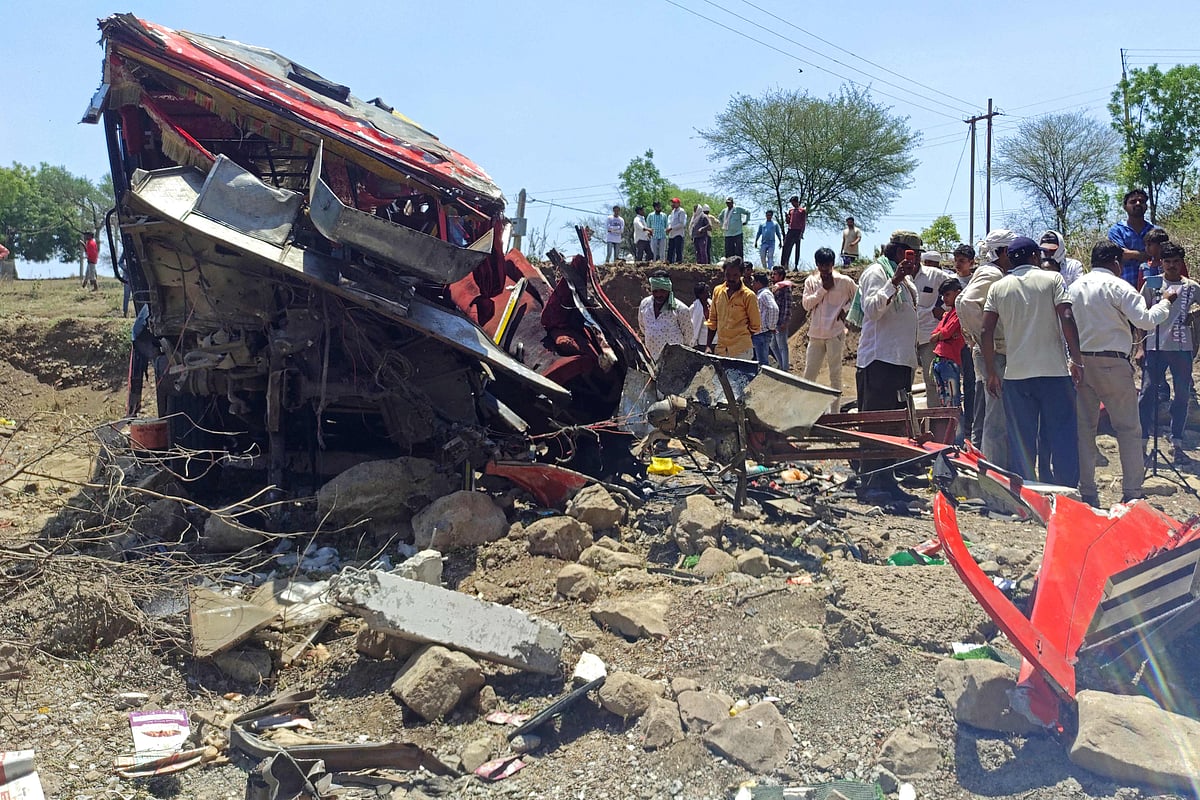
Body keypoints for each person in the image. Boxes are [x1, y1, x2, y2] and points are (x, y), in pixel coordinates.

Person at [1069, 240, 1176, 506]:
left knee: (1085, 429)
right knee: (1128, 428)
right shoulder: (1119, 286)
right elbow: (1146, 321)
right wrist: (1164, 302)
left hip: (1080, 363)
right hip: (1113, 363)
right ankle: (1131, 491)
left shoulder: (1073, 287)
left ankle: (1088, 491)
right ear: (1115, 263)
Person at [981, 236, 1083, 487]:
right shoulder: (1053, 279)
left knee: (1022, 439)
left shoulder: (999, 287)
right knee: (1062, 434)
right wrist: (1077, 360)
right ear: (1036, 256)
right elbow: (1067, 316)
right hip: (1054, 373)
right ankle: (1066, 491)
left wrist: (992, 371)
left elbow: (985, 331)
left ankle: (1027, 491)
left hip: (1016, 376)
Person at [854, 231, 921, 500]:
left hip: (900, 361)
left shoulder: (908, 282)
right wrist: (894, 280)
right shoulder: (877, 273)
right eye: (911, 254)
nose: (914, 260)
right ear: (897, 252)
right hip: (879, 360)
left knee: (893, 425)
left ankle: (888, 478)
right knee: (875, 424)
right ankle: (870, 480)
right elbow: (871, 310)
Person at [958, 229, 1016, 469]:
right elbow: (966, 302)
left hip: (997, 352)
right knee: (996, 418)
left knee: (994, 413)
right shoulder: (992, 273)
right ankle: (995, 471)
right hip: (996, 353)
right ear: (1002, 252)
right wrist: (985, 339)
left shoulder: (995, 273)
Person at [1138, 242, 1198, 465]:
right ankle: (1142, 443)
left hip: (1182, 349)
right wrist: (1140, 346)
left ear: (1181, 263)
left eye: (1176, 261)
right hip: (1154, 346)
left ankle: (1177, 443)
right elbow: (1139, 314)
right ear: (1161, 262)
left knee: (1182, 395)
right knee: (1146, 393)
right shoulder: (1152, 285)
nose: (1172, 266)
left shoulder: (1192, 287)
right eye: (1167, 261)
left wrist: (1195, 315)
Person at [802, 247, 857, 413]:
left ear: (832, 264)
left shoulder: (844, 281)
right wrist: (823, 289)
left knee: (835, 374)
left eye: (827, 265)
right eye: (820, 265)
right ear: (817, 264)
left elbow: (858, 297)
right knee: (809, 375)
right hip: (816, 334)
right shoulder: (811, 281)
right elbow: (806, 304)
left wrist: (845, 310)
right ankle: (805, 411)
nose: (824, 269)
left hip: (835, 333)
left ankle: (835, 414)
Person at [930, 278, 966, 442]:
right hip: (941, 360)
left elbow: (944, 333)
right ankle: (950, 441)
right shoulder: (949, 314)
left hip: (949, 360)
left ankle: (957, 442)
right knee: (946, 403)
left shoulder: (959, 312)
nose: (945, 299)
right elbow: (937, 334)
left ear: (958, 293)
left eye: (948, 295)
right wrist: (941, 336)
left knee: (953, 403)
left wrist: (941, 336)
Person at [705, 256, 761, 360]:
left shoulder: (748, 296)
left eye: (735, 275)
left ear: (741, 274)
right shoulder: (717, 291)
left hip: (741, 352)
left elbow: (755, 326)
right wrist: (708, 346)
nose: (731, 278)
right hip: (721, 350)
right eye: (728, 275)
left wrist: (740, 338)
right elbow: (713, 321)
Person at [916, 251, 950, 407]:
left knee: (931, 381)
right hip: (905, 336)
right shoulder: (901, 275)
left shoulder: (936, 275)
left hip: (929, 335)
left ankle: (936, 422)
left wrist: (940, 308)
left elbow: (957, 288)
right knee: (902, 384)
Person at [950, 244, 977, 443]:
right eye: (956, 260)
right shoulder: (949, 282)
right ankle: (953, 426)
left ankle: (969, 424)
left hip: (969, 342)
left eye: (962, 261)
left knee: (970, 383)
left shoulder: (977, 283)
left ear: (971, 263)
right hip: (952, 341)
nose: (958, 264)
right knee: (951, 385)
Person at [638, 270, 694, 362]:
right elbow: (643, 327)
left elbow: (688, 336)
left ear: (668, 289)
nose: (659, 294)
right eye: (655, 291)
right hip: (652, 360)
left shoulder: (680, 309)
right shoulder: (644, 305)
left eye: (662, 291)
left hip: (674, 362)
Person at [1108, 188, 1157, 286]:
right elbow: (1121, 254)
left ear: (1146, 207)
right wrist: (1147, 255)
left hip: (1153, 283)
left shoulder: (1155, 230)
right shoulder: (1117, 230)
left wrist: (1131, 253)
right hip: (1126, 284)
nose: (1138, 203)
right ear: (1125, 207)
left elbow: (1161, 255)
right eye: (1133, 201)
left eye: (1141, 201)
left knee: (1156, 300)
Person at [750, 273, 779, 366]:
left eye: (753, 282)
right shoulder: (762, 294)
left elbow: (774, 308)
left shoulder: (764, 294)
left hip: (762, 333)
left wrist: (771, 326)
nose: (752, 284)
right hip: (760, 333)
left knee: (762, 363)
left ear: (758, 282)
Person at [769, 265, 792, 371]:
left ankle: (785, 369)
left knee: (782, 345)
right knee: (773, 345)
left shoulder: (785, 288)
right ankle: (781, 365)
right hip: (773, 321)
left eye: (775, 274)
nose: (773, 275)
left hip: (780, 321)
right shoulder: (774, 287)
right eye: (772, 273)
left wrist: (785, 321)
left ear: (781, 276)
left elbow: (788, 305)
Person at [781, 196, 807, 269]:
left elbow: (803, 222)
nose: (792, 204)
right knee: (786, 246)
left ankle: (796, 265)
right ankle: (784, 263)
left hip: (798, 231)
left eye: (793, 202)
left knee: (797, 248)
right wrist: (787, 217)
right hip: (790, 230)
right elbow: (788, 222)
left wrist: (802, 233)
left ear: (796, 202)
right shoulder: (791, 210)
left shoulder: (802, 210)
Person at [689, 281, 711, 348]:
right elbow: (691, 325)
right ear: (700, 294)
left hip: (715, 340)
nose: (709, 293)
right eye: (706, 292)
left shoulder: (713, 305)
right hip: (702, 342)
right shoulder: (693, 308)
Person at [666, 198, 687, 264]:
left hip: (678, 233)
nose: (673, 204)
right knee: (670, 249)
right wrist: (669, 228)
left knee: (678, 249)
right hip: (672, 234)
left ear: (678, 203)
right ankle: (669, 261)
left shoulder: (681, 211)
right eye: (672, 203)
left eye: (674, 203)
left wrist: (672, 228)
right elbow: (671, 222)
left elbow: (681, 224)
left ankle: (679, 261)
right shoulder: (672, 212)